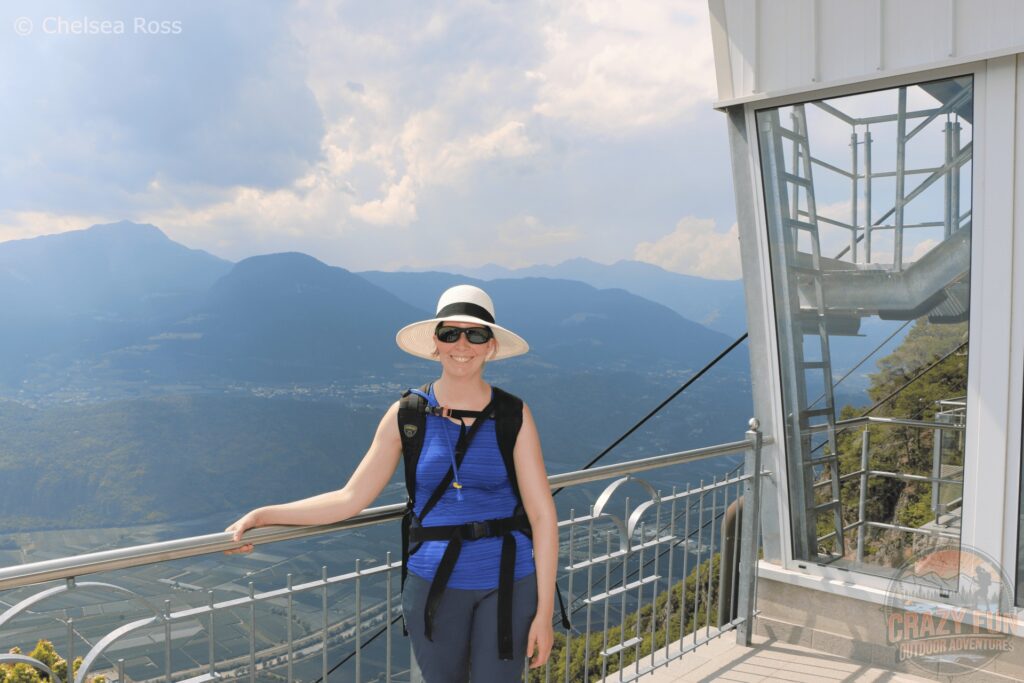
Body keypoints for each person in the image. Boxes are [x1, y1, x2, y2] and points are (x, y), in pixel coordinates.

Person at [226, 284, 557, 682]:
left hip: (508, 583)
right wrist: (264, 515)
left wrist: (543, 613)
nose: (462, 344)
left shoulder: (513, 414)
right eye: (450, 333)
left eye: (476, 334)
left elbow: (542, 516)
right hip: (434, 586)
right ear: (436, 343)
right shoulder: (407, 414)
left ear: (490, 345)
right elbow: (350, 498)